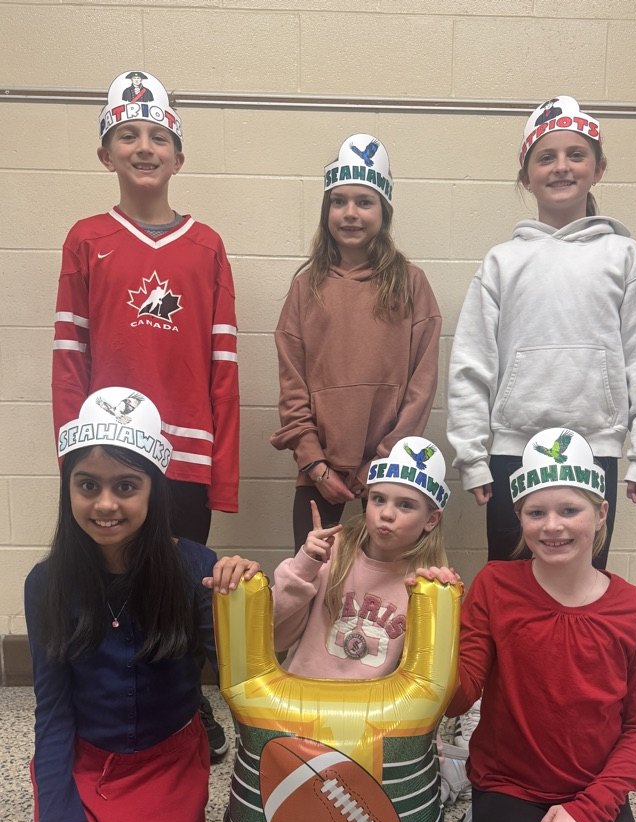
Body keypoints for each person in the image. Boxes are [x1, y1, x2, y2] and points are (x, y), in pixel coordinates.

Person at [446, 95, 636, 750]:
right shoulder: (502, 263)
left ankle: (567, 720)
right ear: (527, 174)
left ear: (598, 169)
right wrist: (472, 454)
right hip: (512, 455)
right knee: (507, 598)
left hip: (593, 455)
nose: (562, 166)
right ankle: (488, 724)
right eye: (546, 157)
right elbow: (471, 365)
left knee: (578, 598)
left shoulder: (625, 260)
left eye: (576, 155)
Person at [51, 69, 239, 759]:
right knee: (112, 583)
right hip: (107, 455)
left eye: (158, 135)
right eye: (127, 135)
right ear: (106, 153)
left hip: (183, 457)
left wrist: (222, 475)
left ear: (179, 154)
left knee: (177, 587)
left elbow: (224, 367)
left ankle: (186, 703)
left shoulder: (206, 245)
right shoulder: (84, 239)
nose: (143, 147)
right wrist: (75, 453)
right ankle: (105, 703)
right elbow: (69, 352)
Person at [446, 427, 636, 822]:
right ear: (518, 519)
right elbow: (457, 698)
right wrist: (427, 618)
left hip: (593, 788)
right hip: (508, 785)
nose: (552, 527)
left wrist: (593, 810)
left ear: (600, 512)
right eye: (535, 512)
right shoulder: (495, 586)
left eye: (569, 509)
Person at [25, 387, 219, 822]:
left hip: (165, 771)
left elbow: (244, 672)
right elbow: (52, 713)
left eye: (125, 487)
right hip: (86, 771)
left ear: (154, 492)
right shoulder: (47, 583)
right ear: (69, 490)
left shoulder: (194, 567)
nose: (105, 504)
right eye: (88, 485)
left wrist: (254, 597)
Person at [269, 133, 441, 552]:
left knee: (379, 596)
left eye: (364, 202)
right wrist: (316, 463)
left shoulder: (411, 284)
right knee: (312, 588)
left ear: (383, 211)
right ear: (326, 209)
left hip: (388, 481)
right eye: (338, 201)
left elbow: (421, 386)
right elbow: (292, 389)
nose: (350, 213)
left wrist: (380, 464)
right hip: (317, 474)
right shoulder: (305, 288)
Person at [210, 437, 456, 678]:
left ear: (431, 519)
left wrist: (441, 604)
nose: (387, 514)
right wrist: (303, 567)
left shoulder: (425, 582)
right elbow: (276, 636)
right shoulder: (333, 551)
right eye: (378, 499)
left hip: (373, 715)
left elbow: (429, 678)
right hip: (298, 701)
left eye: (405, 505)